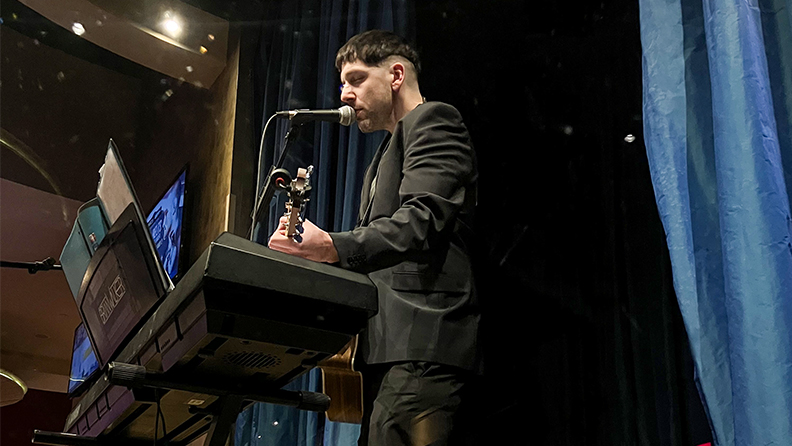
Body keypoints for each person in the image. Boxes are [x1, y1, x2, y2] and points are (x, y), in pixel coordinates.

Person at [268, 29, 480, 446]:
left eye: (356, 79)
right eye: (342, 83)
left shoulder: (434, 120)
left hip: (422, 345)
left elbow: (422, 220)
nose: (344, 94)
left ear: (396, 75)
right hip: (391, 351)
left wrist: (332, 246)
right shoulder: (381, 158)